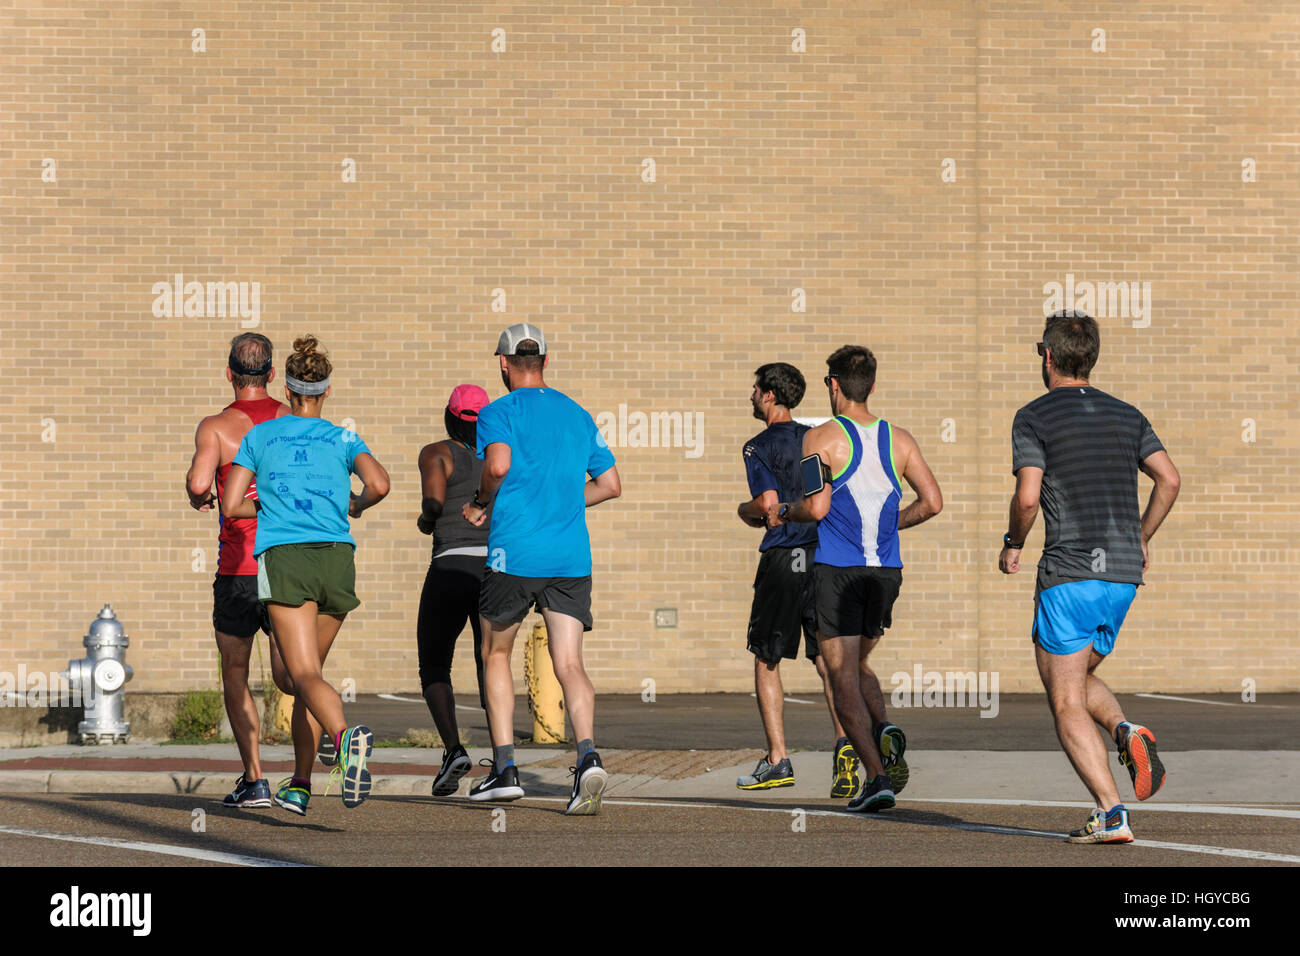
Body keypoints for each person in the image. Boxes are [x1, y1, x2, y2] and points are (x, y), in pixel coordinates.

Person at [1000, 311, 1180, 844]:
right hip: (1123, 576)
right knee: (1071, 676)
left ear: (1049, 357)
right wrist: (1142, 536)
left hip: (1070, 571)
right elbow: (1169, 480)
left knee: (1064, 698)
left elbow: (1028, 496)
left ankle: (1110, 811)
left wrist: (1013, 544)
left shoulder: (1033, 416)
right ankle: (1125, 730)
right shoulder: (1128, 415)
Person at [220, 335, 390, 815]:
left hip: (287, 557)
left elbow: (233, 503)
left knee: (303, 675)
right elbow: (380, 483)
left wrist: (268, 502)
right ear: (326, 391)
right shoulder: (342, 437)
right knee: (303, 677)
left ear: (287, 390)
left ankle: (345, 738)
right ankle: (299, 782)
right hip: (337, 558)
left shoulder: (260, 437)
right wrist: (355, 503)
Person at [768, 345, 942, 812]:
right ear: (871, 386)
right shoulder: (900, 439)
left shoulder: (819, 438)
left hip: (838, 571)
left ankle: (877, 777)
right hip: (885, 573)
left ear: (833, 385)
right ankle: (882, 731)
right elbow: (933, 502)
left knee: (838, 674)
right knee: (859, 663)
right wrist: (891, 526)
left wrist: (785, 512)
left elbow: (817, 507)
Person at [462, 323, 622, 815]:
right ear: (545, 363)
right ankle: (588, 755)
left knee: (495, 653)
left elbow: (498, 467)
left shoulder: (497, 412)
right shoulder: (577, 415)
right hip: (570, 557)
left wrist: (480, 504)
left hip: (515, 555)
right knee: (569, 662)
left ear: (505, 365)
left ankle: (505, 767)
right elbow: (612, 484)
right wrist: (564, 503)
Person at [735, 362, 857, 797]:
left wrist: (744, 511)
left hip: (785, 557)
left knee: (767, 657)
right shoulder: (812, 439)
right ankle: (845, 749)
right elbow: (816, 498)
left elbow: (768, 504)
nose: (751, 394)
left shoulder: (757, 447)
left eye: (755, 388)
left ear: (769, 395)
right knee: (826, 660)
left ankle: (777, 760)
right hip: (822, 554)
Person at [185, 333, 293, 809]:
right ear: (272, 375)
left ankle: (255, 778)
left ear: (229, 373)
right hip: (287, 562)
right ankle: (314, 763)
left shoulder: (216, 427)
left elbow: (197, 483)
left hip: (238, 568)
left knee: (236, 670)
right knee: (298, 674)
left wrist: (200, 496)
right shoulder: (291, 420)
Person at [416, 384, 492, 797]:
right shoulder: (498, 456)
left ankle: (453, 750)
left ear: (449, 417)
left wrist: (428, 521)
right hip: (492, 569)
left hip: (449, 565)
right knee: (490, 664)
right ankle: (502, 760)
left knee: (433, 663)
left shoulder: (436, 452)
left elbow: (433, 501)